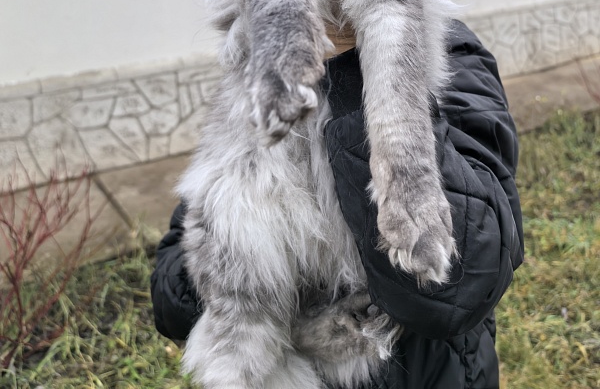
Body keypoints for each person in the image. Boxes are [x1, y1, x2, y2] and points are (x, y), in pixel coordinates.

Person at [150, 20, 524, 389]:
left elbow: (462, 285)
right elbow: (171, 299)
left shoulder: (449, 52)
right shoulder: (258, 76)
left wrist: (355, 64)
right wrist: (234, 269)